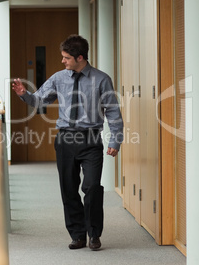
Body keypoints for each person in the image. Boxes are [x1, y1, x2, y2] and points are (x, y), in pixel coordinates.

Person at [12, 34, 123, 251]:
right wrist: (24, 95)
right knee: (69, 189)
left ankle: (94, 234)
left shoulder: (101, 80)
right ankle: (77, 235)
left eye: (66, 58)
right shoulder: (58, 78)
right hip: (65, 138)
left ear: (80, 57)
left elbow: (113, 112)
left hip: (90, 139)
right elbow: (40, 99)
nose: (62, 61)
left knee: (91, 187)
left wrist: (115, 140)